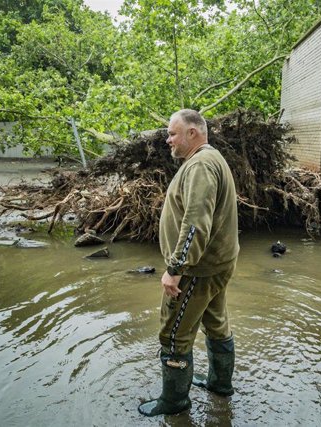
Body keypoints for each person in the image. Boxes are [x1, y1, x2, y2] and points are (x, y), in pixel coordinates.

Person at [138, 109, 240, 417]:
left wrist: (175, 269)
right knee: (216, 324)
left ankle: (174, 403)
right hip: (217, 264)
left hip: (196, 270)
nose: (167, 139)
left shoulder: (201, 166)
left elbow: (196, 223)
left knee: (173, 335)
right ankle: (219, 384)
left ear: (192, 133)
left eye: (172, 133)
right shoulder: (210, 158)